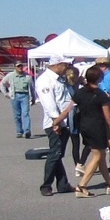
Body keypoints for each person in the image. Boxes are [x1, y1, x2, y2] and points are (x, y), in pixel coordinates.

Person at [71, 65, 110, 197]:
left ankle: (109, 183)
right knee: (98, 156)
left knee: (101, 156)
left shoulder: (80, 92)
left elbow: (68, 109)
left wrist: (57, 121)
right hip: (97, 127)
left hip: (84, 126)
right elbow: (108, 117)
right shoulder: (100, 95)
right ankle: (82, 186)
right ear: (99, 78)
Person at [35, 56, 76, 197]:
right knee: (55, 154)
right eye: (65, 64)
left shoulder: (60, 79)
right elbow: (49, 103)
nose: (67, 67)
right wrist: (56, 122)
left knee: (58, 154)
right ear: (57, 64)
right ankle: (46, 185)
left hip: (63, 121)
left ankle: (63, 184)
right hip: (55, 122)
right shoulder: (45, 80)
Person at [7, 62, 35, 137]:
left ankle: (27, 131)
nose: (20, 68)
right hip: (15, 96)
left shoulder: (27, 77)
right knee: (17, 115)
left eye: (21, 66)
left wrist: (33, 98)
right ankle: (19, 131)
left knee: (25, 113)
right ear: (15, 67)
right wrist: (6, 94)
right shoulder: (11, 75)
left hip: (25, 96)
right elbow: (2, 84)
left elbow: (32, 88)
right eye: (18, 66)